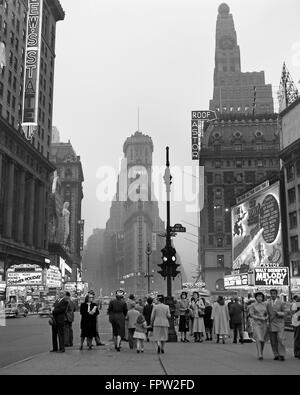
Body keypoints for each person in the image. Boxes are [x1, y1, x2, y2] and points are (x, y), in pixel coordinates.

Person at [266, 289, 287, 361]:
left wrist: (279, 313)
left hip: (280, 323)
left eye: (274, 293)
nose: (273, 295)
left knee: (281, 339)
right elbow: (266, 313)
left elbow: (286, 313)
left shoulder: (281, 302)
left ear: (276, 294)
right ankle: (275, 354)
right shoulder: (268, 303)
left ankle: (282, 354)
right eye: (271, 294)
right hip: (271, 323)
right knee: (273, 340)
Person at [249, 291, 268, 360]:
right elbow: (251, 314)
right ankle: (259, 354)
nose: (259, 298)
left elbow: (268, 313)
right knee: (259, 338)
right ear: (256, 297)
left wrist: (266, 317)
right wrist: (259, 318)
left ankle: (261, 352)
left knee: (263, 339)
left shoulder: (265, 305)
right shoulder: (253, 305)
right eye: (258, 296)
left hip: (264, 323)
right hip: (257, 323)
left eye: (261, 297)